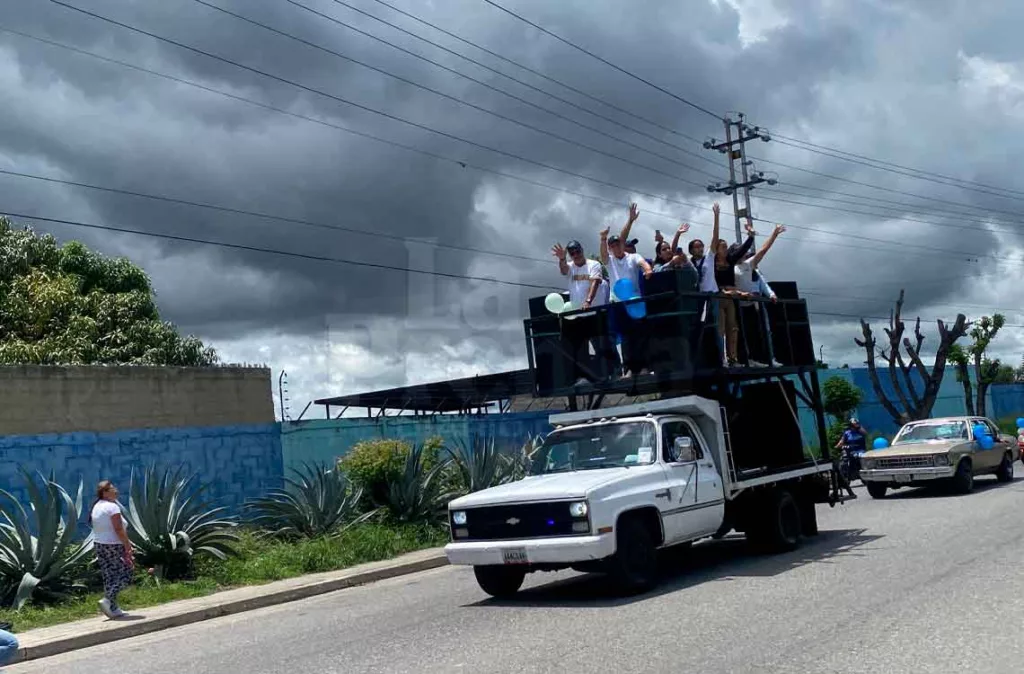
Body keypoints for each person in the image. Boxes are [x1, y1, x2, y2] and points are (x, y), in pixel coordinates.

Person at [600, 203, 654, 378]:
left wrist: (647, 269)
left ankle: (644, 367)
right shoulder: (610, 261)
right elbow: (602, 256)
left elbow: (642, 263)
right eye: (612, 245)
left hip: (635, 301)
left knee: (640, 335)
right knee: (625, 337)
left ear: (622, 245)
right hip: (618, 303)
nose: (616, 247)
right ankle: (630, 369)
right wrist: (603, 239)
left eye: (618, 244)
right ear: (610, 248)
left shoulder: (632, 257)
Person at [552, 240, 617, 381]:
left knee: (603, 346)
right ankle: (584, 377)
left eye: (577, 251)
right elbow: (563, 270)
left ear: (582, 250)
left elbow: (595, 282)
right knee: (579, 348)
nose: (576, 255)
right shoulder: (570, 267)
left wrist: (588, 301)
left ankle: (612, 374)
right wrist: (562, 258)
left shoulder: (593, 264)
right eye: (572, 253)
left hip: (595, 313)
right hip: (578, 314)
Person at [735, 220, 786, 366]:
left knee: (762, 331)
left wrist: (774, 234)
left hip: (754, 303)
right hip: (739, 304)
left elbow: (763, 250)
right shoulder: (730, 266)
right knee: (744, 334)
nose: (743, 253)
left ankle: (769, 358)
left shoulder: (748, 264)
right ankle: (748, 359)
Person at [89, 480, 135, 619]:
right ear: (105, 493)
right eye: (112, 489)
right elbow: (118, 529)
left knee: (110, 576)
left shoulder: (97, 506)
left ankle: (113, 608)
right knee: (127, 573)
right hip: (114, 545)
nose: (116, 491)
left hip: (100, 544)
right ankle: (108, 599)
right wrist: (127, 545)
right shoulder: (112, 507)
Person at [713, 223, 756, 366]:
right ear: (717, 249)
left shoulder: (730, 260)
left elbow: (744, 248)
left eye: (726, 247)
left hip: (731, 297)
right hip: (719, 296)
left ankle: (733, 358)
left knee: (733, 328)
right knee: (721, 328)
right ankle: (722, 358)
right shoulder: (712, 262)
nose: (725, 249)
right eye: (722, 247)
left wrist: (750, 235)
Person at [835, 418, 867, 497]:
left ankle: (865, 476)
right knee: (844, 460)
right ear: (850, 425)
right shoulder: (847, 433)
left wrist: (859, 428)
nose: (855, 426)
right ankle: (845, 476)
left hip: (861, 451)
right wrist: (837, 446)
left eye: (856, 424)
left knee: (863, 459)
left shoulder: (860, 430)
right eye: (853, 424)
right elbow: (841, 442)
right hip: (850, 451)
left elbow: (865, 433)